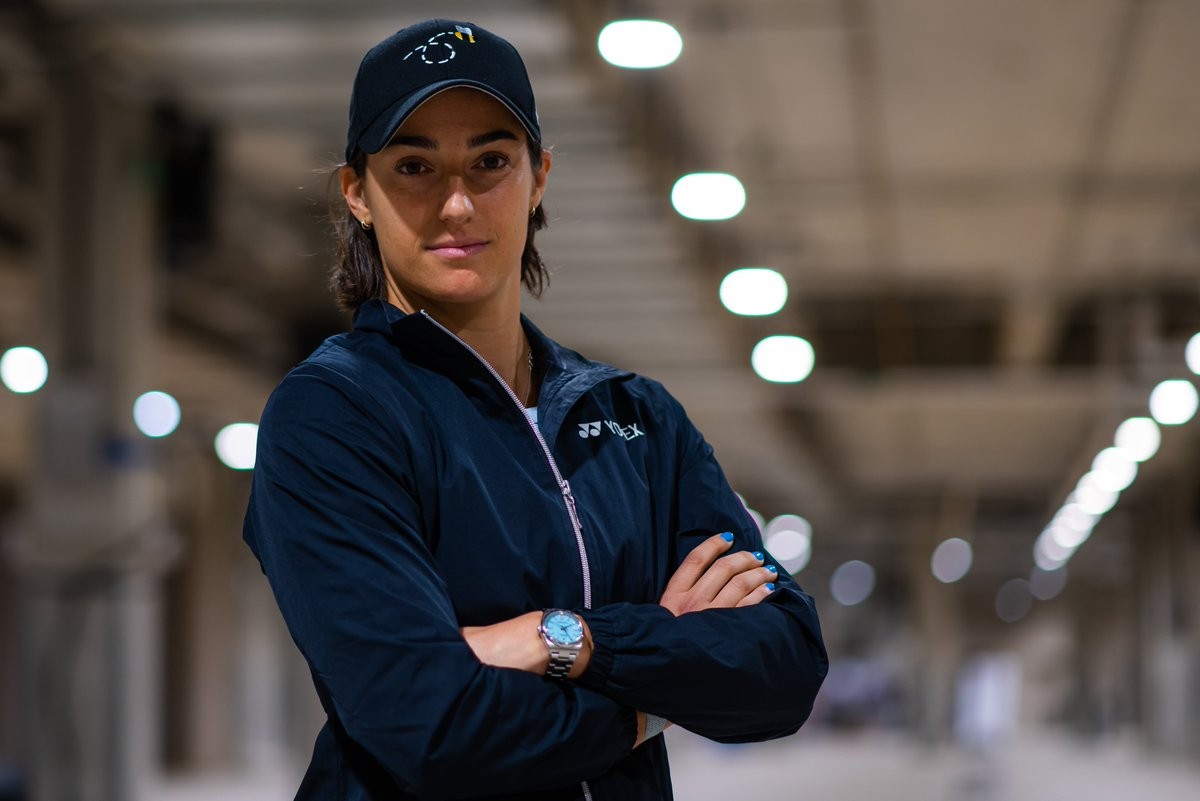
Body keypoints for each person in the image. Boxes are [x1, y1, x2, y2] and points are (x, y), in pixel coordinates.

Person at [243, 18, 827, 801]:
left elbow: (785, 665)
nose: (456, 202)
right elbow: (431, 724)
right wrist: (656, 697)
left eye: (490, 161)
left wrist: (569, 638)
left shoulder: (637, 419)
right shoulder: (335, 414)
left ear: (539, 175)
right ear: (358, 193)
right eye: (414, 166)